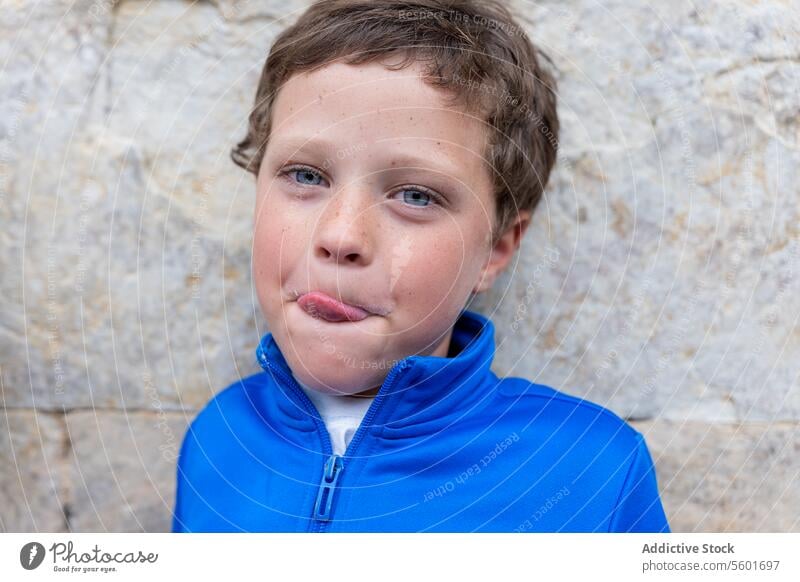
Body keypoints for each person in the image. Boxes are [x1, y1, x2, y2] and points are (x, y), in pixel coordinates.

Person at [172, 0, 670, 533]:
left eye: (415, 194)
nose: (340, 236)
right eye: (306, 176)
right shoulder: (218, 439)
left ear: (496, 249)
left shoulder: (589, 473)